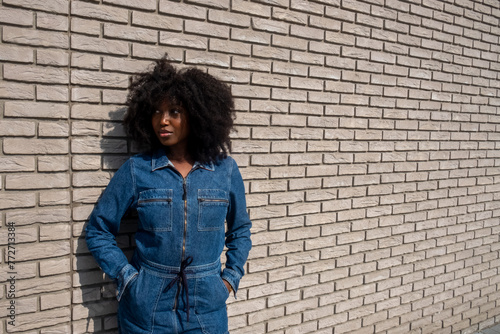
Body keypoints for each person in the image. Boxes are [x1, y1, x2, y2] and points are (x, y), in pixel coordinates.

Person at [85, 56, 252, 334]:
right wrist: (128, 279)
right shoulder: (138, 170)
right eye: (156, 112)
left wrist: (229, 279)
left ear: (198, 115)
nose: (163, 120)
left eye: (174, 111)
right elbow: (98, 229)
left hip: (206, 308)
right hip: (147, 306)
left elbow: (240, 230)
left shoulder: (225, 170)